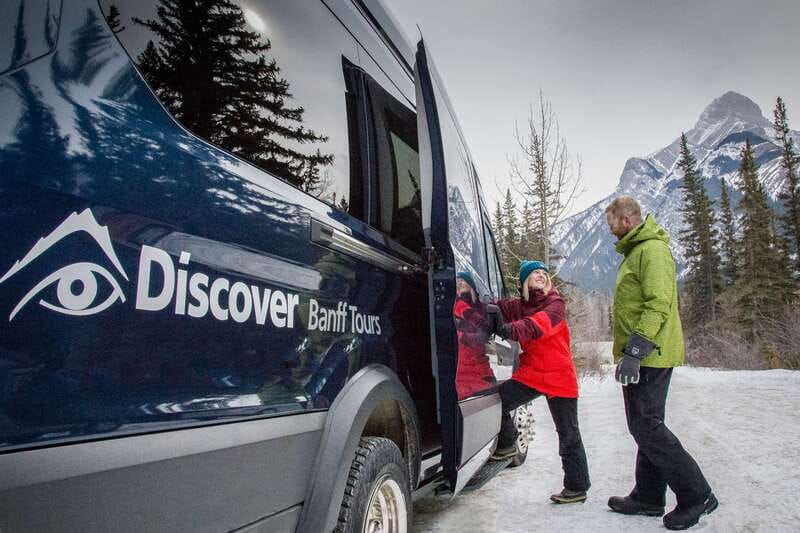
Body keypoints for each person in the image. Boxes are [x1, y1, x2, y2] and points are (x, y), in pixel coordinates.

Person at [604, 196, 718, 531]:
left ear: (626, 220)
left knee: (646, 425)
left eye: (611, 223)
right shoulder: (637, 251)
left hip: (650, 353)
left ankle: (698, 495)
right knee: (644, 424)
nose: (610, 230)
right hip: (643, 352)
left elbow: (659, 303)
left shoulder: (652, 250)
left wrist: (636, 350)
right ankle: (649, 496)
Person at [487, 260, 590, 504]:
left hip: (559, 375)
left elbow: (536, 326)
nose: (542, 275)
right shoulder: (518, 306)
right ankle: (508, 443)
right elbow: (494, 306)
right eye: (535, 272)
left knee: (568, 434)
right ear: (525, 280)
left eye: (544, 273)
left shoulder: (555, 304)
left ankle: (577, 487)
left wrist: (508, 330)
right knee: (495, 401)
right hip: (532, 373)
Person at [453, 271, 496, 400]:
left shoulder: (482, 307)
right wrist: (462, 337)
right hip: (459, 369)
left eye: (463, 280)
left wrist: (466, 337)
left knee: (493, 402)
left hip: (479, 367)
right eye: (457, 280)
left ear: (471, 284)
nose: (459, 282)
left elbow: (486, 332)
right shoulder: (452, 305)